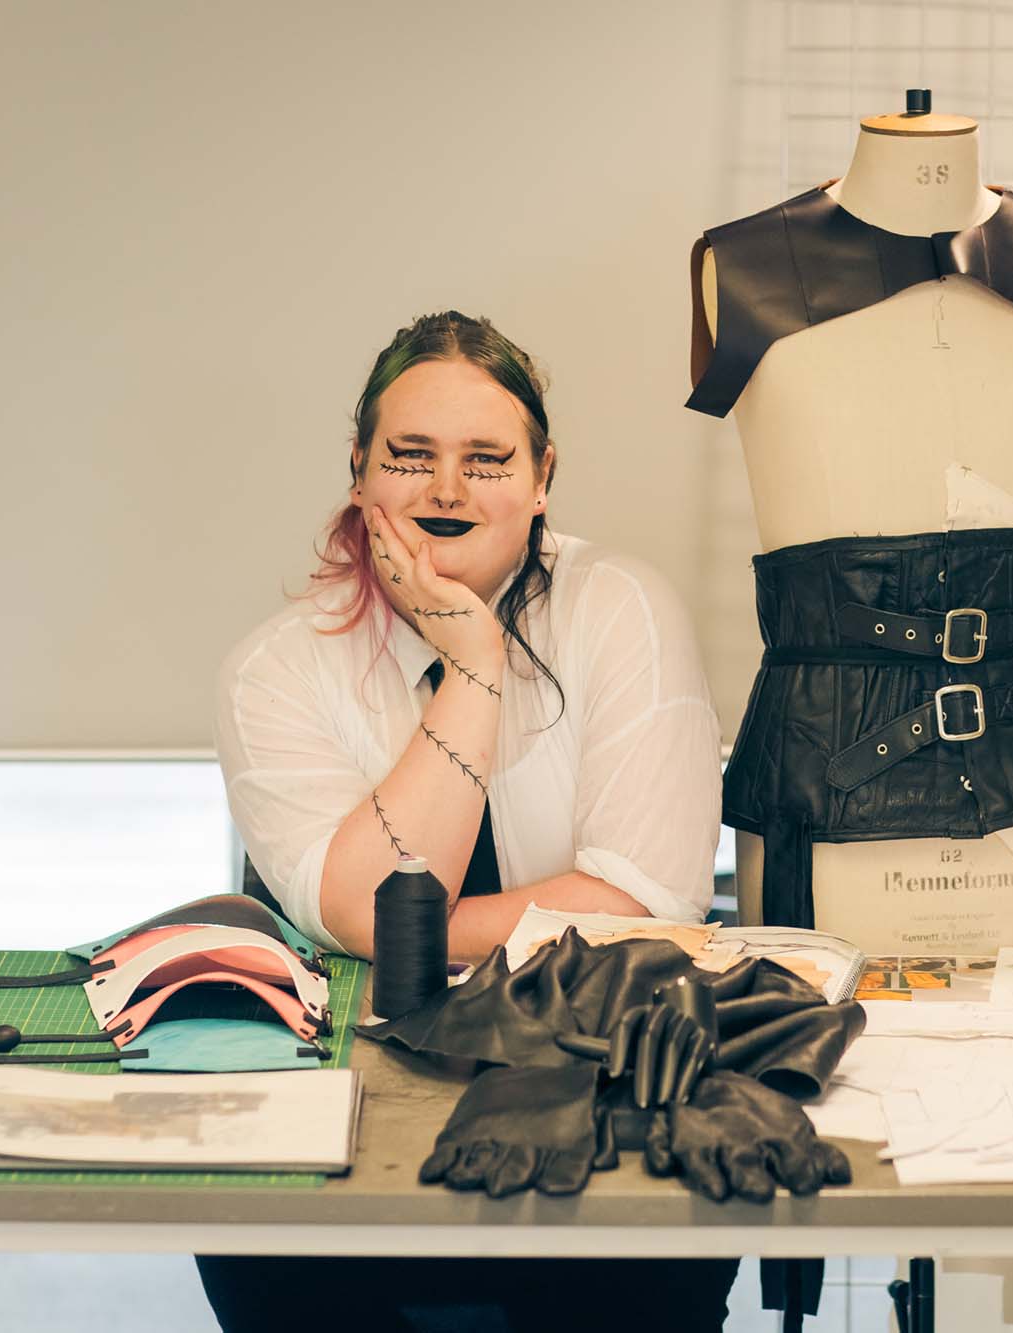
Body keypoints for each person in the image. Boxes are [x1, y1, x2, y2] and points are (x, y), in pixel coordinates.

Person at [201, 310, 737, 1332]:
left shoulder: (621, 608)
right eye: (411, 457)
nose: (446, 490)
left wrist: (398, 936)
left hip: (595, 1064)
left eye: (485, 460)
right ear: (359, 472)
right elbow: (365, 908)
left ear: (542, 479)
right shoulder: (272, 670)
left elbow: (641, 902)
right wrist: (476, 661)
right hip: (346, 1095)